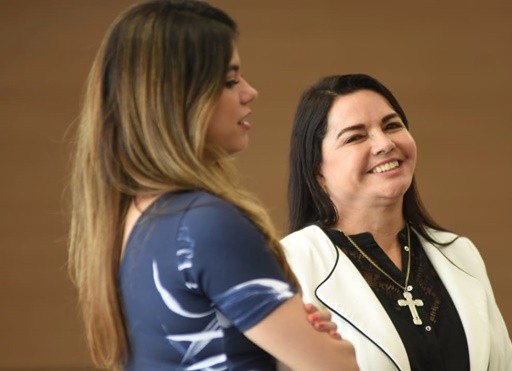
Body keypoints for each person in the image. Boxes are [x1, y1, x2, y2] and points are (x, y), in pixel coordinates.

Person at [67, 1, 358, 370]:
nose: (250, 92)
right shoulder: (205, 224)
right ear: (178, 98)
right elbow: (338, 367)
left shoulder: (136, 218)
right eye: (230, 80)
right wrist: (326, 346)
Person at [281, 73, 512, 370]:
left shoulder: (460, 254)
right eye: (355, 136)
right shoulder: (292, 263)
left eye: (392, 125)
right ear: (317, 170)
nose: (384, 143)